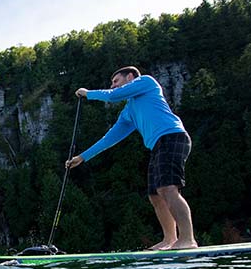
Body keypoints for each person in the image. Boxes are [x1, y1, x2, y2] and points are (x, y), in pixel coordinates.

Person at [66, 66, 197, 250]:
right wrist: (82, 157)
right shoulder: (128, 112)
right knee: (155, 195)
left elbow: (111, 96)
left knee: (168, 189)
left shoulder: (146, 82)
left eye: (116, 81)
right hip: (158, 146)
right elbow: (109, 139)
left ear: (130, 77)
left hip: (172, 137)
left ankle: (188, 239)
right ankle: (170, 239)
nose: (113, 85)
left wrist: (88, 93)